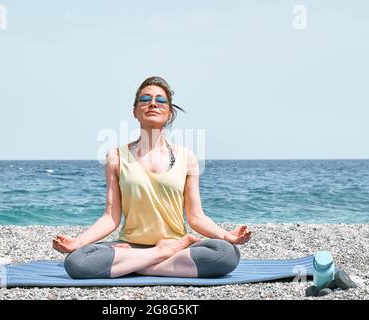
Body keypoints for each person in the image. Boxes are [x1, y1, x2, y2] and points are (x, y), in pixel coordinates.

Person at [53, 76, 251, 279]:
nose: (153, 103)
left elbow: (196, 217)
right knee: (77, 262)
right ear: (135, 111)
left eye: (160, 100)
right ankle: (160, 254)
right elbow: (111, 216)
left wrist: (227, 236)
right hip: (130, 246)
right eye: (145, 99)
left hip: (176, 244)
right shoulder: (116, 157)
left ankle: (136, 265)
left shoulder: (187, 157)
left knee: (226, 254)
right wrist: (79, 242)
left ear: (169, 112)